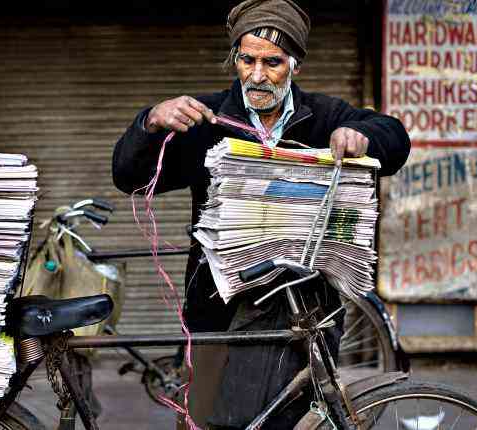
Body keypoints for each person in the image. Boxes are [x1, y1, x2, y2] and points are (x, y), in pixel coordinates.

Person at [113, 0, 410, 427]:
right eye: (246, 59)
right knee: (207, 420)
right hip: (219, 310)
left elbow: (395, 137)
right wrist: (150, 122)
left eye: (272, 62)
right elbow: (128, 175)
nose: (256, 74)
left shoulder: (323, 117)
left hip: (304, 309)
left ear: (294, 65)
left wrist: (361, 135)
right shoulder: (205, 120)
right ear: (235, 59)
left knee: (291, 418)